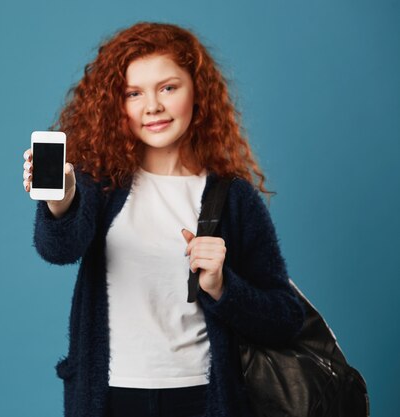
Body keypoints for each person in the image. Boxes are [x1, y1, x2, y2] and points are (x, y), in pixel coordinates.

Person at [21, 22, 305, 417]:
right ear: (116, 106)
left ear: (197, 92)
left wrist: (222, 286)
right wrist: (62, 200)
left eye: (168, 88)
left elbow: (286, 318)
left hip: (203, 396)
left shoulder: (233, 197)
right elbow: (59, 249)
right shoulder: (100, 185)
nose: (152, 106)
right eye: (134, 93)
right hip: (110, 396)